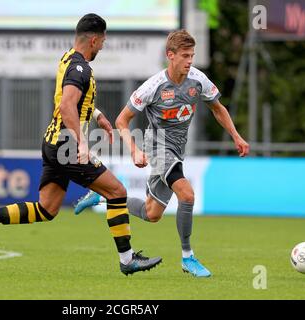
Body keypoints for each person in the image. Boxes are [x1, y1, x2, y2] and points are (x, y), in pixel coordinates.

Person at [0, 13, 162, 276]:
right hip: (66, 146)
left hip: (52, 142)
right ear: (94, 39)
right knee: (117, 192)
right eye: (103, 41)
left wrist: (98, 116)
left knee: (46, 209)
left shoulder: (68, 59)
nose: (103, 46)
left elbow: (73, 99)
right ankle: (127, 259)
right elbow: (66, 105)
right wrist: (82, 142)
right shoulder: (81, 68)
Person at [74, 29, 250, 277]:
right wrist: (134, 150)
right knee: (187, 195)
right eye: (186, 56)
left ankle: (101, 198)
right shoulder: (153, 86)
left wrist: (236, 136)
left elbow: (217, 108)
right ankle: (188, 258)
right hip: (157, 146)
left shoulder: (198, 80)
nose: (190, 61)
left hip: (177, 151)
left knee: (152, 213)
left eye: (192, 55)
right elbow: (122, 120)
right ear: (171, 55)